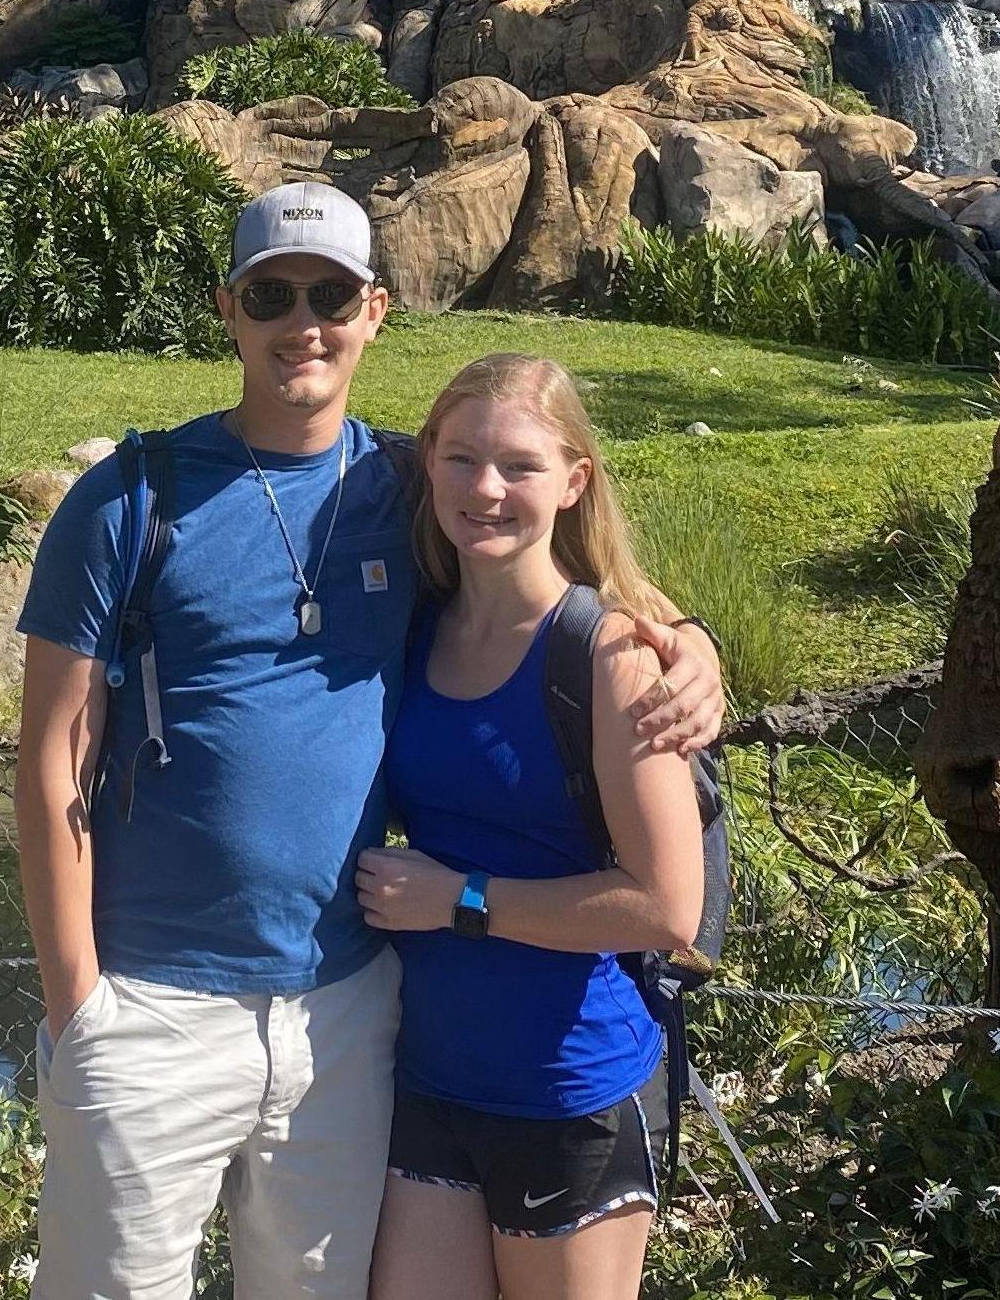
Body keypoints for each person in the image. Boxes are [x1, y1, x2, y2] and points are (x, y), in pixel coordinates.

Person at [14, 183, 727, 1300]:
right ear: (230, 309)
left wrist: (690, 642)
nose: (304, 320)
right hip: (152, 1003)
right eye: (273, 293)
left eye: (331, 294)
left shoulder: (408, 479)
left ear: (374, 311)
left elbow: (566, 564)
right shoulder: (127, 499)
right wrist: (77, 1002)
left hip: (343, 1005)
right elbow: (51, 753)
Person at [353, 353, 701, 1300]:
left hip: (569, 1089)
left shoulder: (613, 653)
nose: (486, 489)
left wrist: (459, 901)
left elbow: (666, 906)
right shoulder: (414, 621)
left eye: (520, 466)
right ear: (427, 461)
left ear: (576, 479)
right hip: (427, 1079)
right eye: (461, 458)